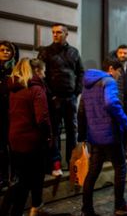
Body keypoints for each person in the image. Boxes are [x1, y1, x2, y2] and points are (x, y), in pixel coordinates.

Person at [78, 58, 127, 216]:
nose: (118, 76)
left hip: (95, 136)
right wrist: (126, 122)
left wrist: (83, 135)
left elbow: (81, 111)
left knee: (93, 172)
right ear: (112, 69)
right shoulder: (108, 81)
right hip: (111, 134)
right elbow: (111, 103)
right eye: (119, 72)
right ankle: (120, 206)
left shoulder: (88, 84)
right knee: (120, 169)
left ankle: (86, 209)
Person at [2, 58, 51, 216]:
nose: (44, 75)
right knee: (25, 181)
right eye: (43, 71)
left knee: (20, 179)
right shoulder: (36, 89)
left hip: (15, 138)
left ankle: (20, 209)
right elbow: (42, 118)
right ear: (37, 71)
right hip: (32, 140)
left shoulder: (14, 88)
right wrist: (48, 135)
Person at [37, 23, 84, 173]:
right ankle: (55, 164)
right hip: (54, 99)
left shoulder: (74, 52)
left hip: (70, 98)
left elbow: (81, 73)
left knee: (72, 131)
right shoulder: (46, 52)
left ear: (66, 34)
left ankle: (71, 163)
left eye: (58, 32)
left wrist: (77, 92)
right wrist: (50, 95)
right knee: (55, 132)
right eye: (53, 32)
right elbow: (40, 75)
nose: (55, 35)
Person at [110, 45, 127, 156]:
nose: (122, 55)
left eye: (125, 53)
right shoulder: (114, 67)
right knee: (116, 128)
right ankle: (116, 152)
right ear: (117, 53)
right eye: (120, 53)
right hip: (117, 102)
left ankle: (124, 150)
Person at [0, 41, 19, 189]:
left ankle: (14, 175)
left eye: (8, 50)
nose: (5, 52)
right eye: (2, 50)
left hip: (12, 112)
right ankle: (3, 176)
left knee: (12, 146)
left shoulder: (15, 69)